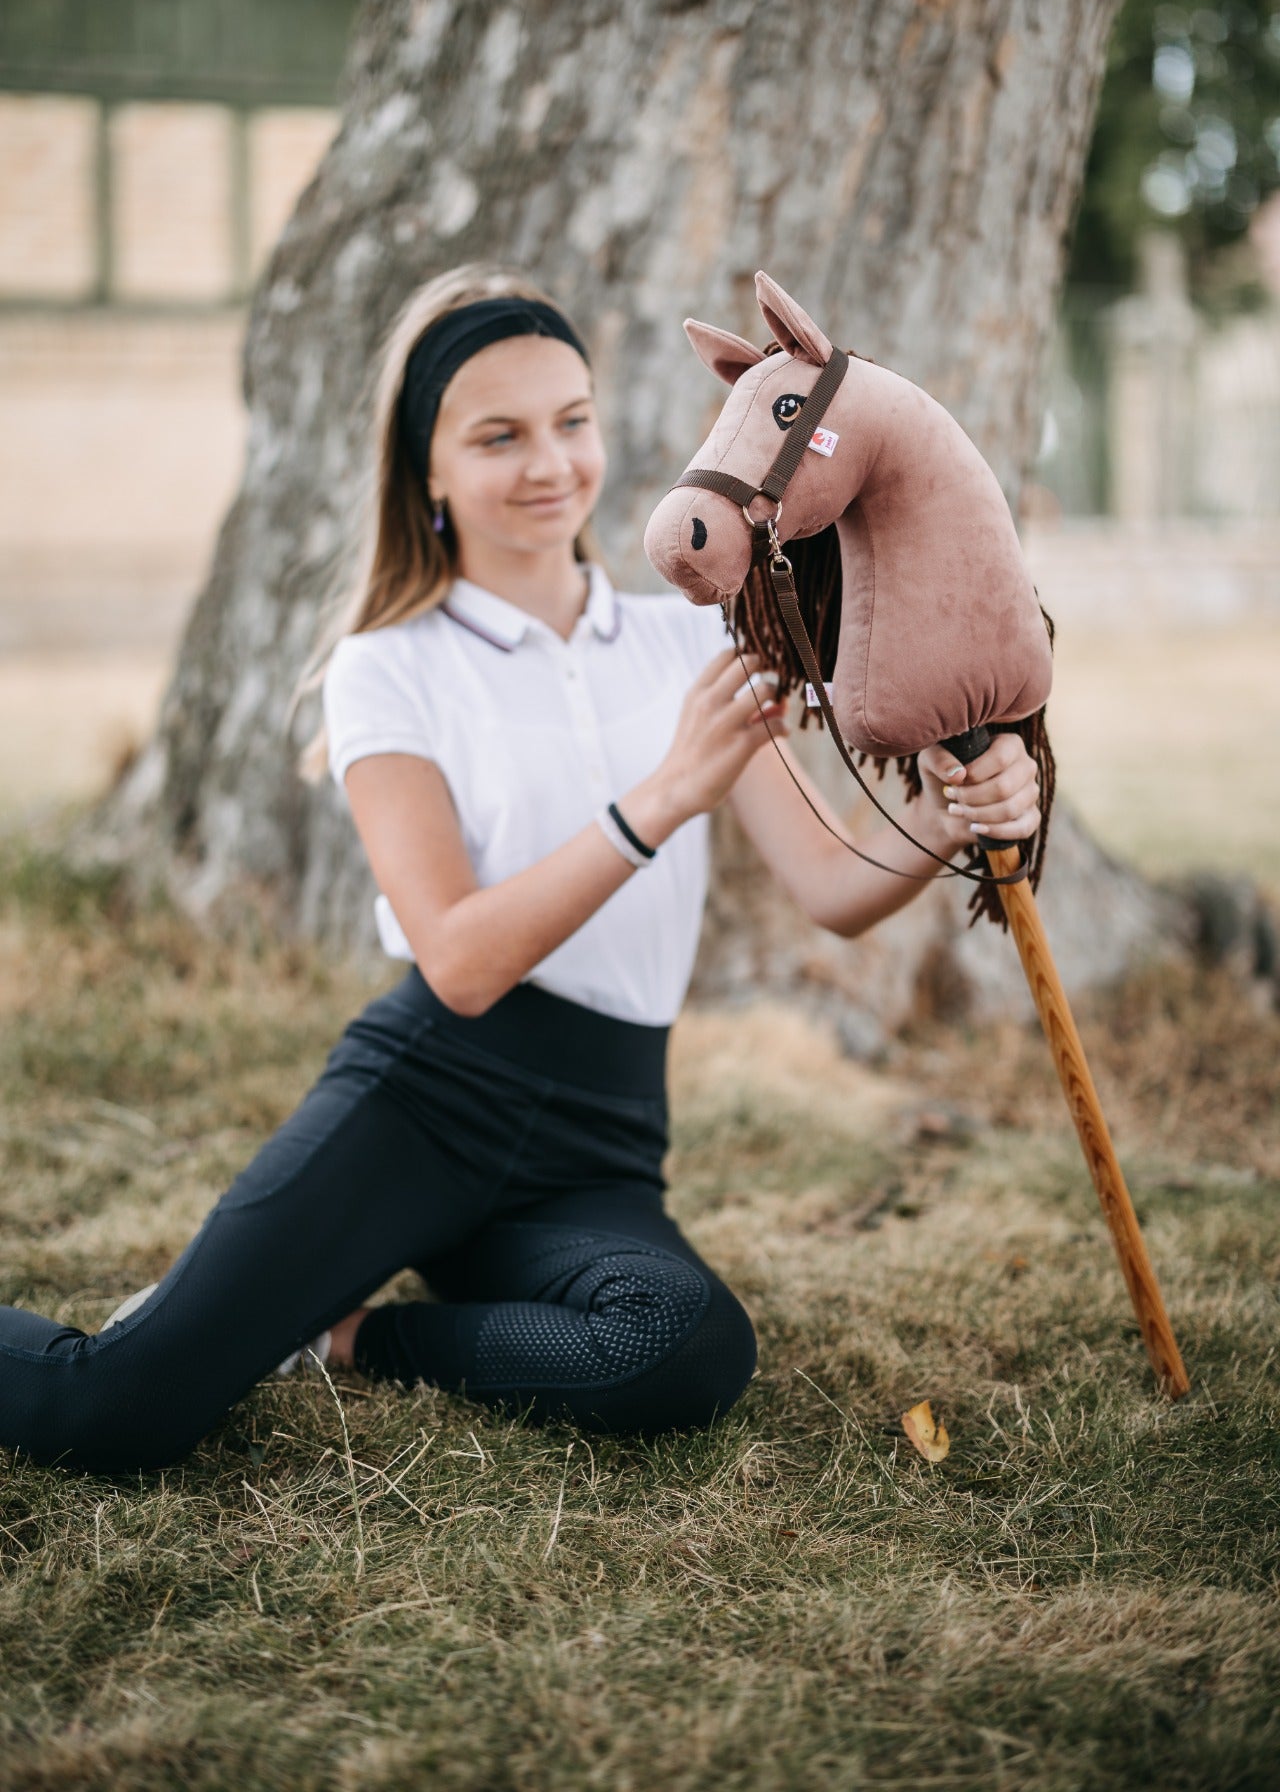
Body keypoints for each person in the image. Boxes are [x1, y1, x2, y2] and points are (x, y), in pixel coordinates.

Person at [0, 266, 1041, 1475]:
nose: (549, 463)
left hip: (600, 1143)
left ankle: (347, 1338)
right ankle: (263, 1312)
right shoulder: (386, 668)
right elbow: (458, 958)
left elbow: (829, 888)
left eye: (572, 422)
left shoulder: (686, 637)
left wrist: (953, 824)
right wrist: (660, 799)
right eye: (498, 435)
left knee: (678, 1347)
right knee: (115, 1410)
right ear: (426, 468)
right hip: (424, 1103)